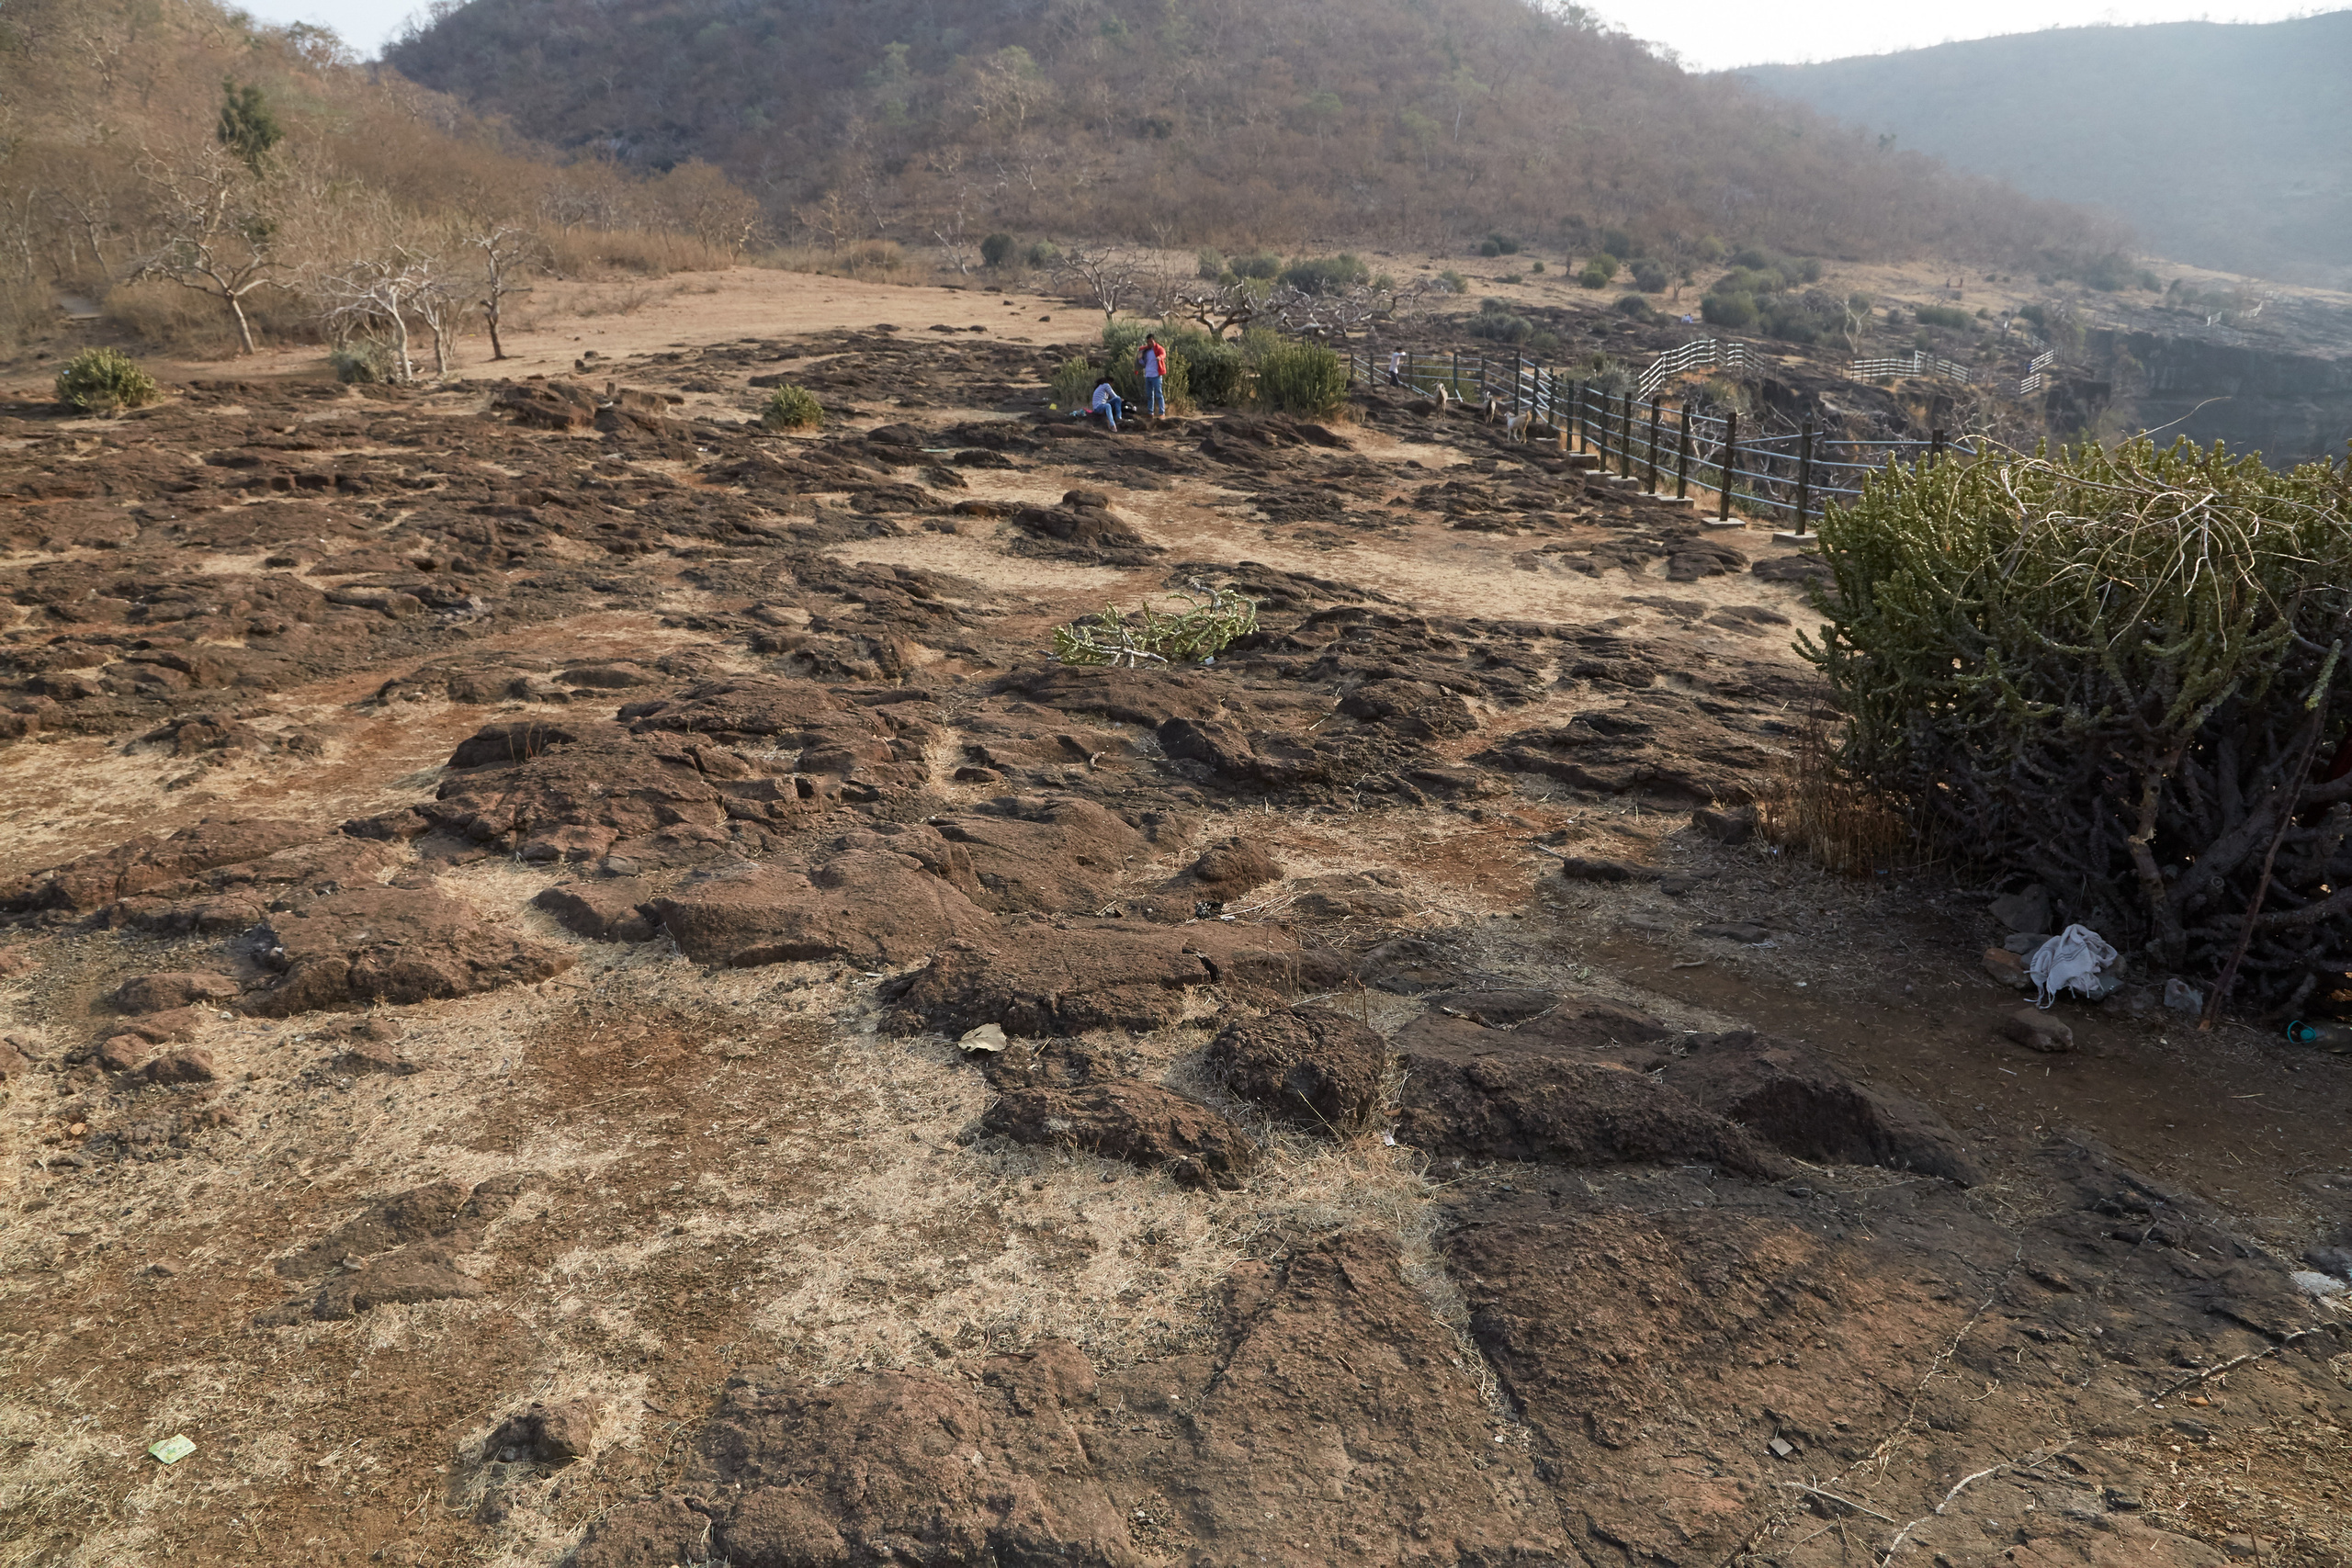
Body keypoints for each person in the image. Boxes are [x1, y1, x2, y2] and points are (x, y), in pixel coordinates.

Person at [1136, 334, 1167, 417]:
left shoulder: (1159, 349)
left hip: (1156, 375)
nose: (1149, 343)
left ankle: (1161, 412)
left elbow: (1163, 354)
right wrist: (1139, 359)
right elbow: (1143, 363)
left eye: (1151, 341)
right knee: (1149, 395)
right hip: (1148, 375)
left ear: (1154, 340)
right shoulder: (1146, 351)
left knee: (1158, 394)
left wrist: (1160, 357)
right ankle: (1150, 412)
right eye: (1148, 342)